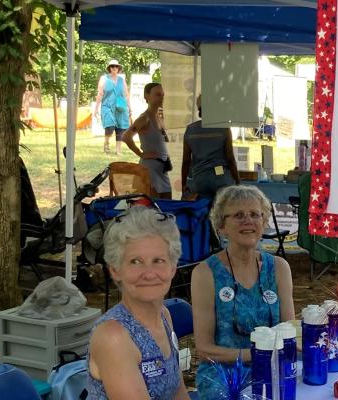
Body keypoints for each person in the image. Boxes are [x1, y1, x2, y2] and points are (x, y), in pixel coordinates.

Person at [191, 185, 295, 398]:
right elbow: (204, 349)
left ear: (263, 222)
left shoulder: (278, 268)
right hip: (223, 375)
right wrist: (257, 355)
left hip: (273, 368)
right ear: (221, 226)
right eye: (238, 215)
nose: (248, 220)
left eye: (255, 214)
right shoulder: (206, 273)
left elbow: (288, 331)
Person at [86, 206, 189, 400]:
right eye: (135, 261)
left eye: (158, 260)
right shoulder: (114, 336)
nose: (149, 273)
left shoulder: (164, 316)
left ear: (173, 268)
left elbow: (179, 393)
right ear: (115, 270)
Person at [181, 94, 240, 201]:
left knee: (201, 212)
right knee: (222, 213)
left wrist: (184, 185)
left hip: (199, 180)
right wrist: (238, 181)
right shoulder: (223, 128)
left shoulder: (190, 130)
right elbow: (230, 159)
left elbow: (186, 161)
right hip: (221, 179)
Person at [123, 83, 172, 199]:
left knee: (167, 205)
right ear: (147, 96)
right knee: (153, 208)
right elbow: (126, 137)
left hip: (161, 168)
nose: (161, 98)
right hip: (150, 170)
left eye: (163, 95)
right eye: (158, 95)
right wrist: (141, 154)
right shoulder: (144, 118)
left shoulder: (159, 116)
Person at [94, 60, 131, 155]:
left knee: (120, 129)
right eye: (112, 66)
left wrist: (130, 108)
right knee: (110, 127)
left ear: (118, 68)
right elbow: (100, 93)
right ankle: (106, 142)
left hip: (120, 106)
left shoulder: (121, 80)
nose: (114, 68)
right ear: (109, 68)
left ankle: (118, 151)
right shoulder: (104, 78)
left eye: (116, 67)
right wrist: (96, 109)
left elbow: (126, 94)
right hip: (107, 106)